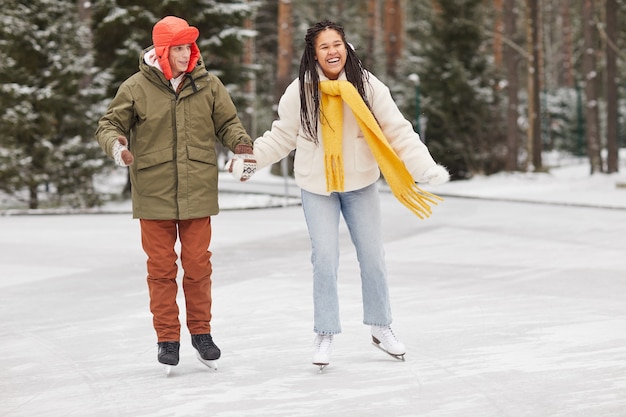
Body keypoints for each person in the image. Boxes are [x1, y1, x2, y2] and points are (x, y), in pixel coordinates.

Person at [230, 20, 449, 369]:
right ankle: (325, 332)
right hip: (317, 187)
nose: (333, 51)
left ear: (346, 46)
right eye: (324, 47)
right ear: (313, 54)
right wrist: (251, 162)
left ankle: (381, 327)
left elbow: (398, 131)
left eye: (337, 44)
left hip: (360, 183)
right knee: (325, 259)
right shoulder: (300, 92)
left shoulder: (367, 86)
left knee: (373, 258)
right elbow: (280, 137)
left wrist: (423, 168)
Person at [96, 16, 256, 372]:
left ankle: (201, 333)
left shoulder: (209, 85)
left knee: (199, 266)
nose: (187, 54)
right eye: (179, 48)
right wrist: (117, 146)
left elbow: (228, 124)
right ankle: (167, 338)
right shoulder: (136, 87)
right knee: (161, 270)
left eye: (189, 47)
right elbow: (109, 125)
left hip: (197, 189)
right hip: (153, 193)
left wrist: (242, 146)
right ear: (163, 50)